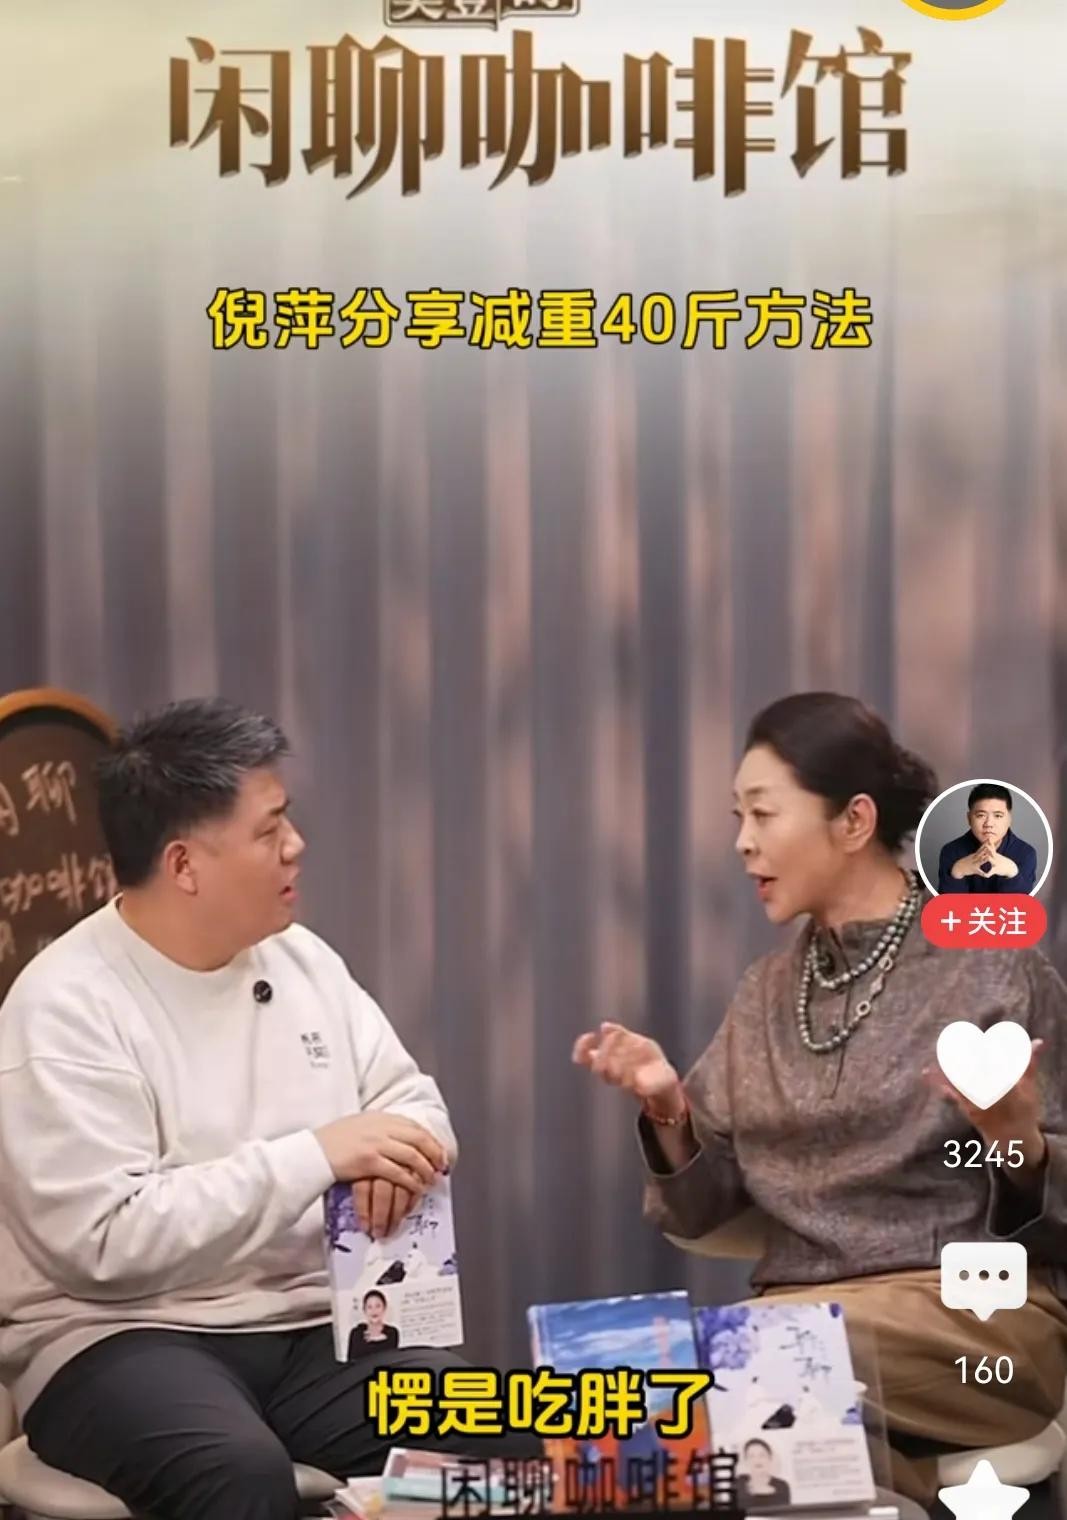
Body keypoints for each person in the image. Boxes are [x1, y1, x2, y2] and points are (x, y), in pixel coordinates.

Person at [0, 698, 535, 1520]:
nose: (296, 845)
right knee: (237, 1473)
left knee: (528, 1425)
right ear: (185, 865)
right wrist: (319, 1155)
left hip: (310, 1332)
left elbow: (407, 1098)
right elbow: (102, 1243)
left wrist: (400, 1151)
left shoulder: (300, 959)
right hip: (114, 1339)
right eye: (269, 829)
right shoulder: (64, 1006)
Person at [574, 692, 1067, 1512]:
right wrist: (667, 1110)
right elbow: (699, 1215)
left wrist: (1018, 1140)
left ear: (853, 821)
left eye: (763, 813)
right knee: (627, 1385)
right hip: (795, 1323)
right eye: (737, 816)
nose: (742, 840)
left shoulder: (990, 967)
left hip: (972, 1314)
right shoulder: (765, 992)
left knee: (736, 1373)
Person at [937, 783, 1038, 894]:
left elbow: (1023, 903)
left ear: (1009, 819)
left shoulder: (1026, 853)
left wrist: (1012, 872)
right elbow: (947, 904)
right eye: (981, 815)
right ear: (969, 818)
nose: (989, 824)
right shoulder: (951, 851)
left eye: (998, 816)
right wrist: (957, 871)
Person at [738, 1438, 791, 1511]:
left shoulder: (782, 1486)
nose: (757, 1460)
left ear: (770, 1458)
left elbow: (784, 1513)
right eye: (751, 1456)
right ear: (746, 1461)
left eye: (762, 1455)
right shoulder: (738, 1484)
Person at [347, 1290, 400, 1358]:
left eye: (378, 1306)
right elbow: (351, 1361)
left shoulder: (392, 1332)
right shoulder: (356, 1333)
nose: (374, 1311)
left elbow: (390, 1358)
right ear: (364, 1310)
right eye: (369, 1307)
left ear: (384, 1308)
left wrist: (376, 1339)